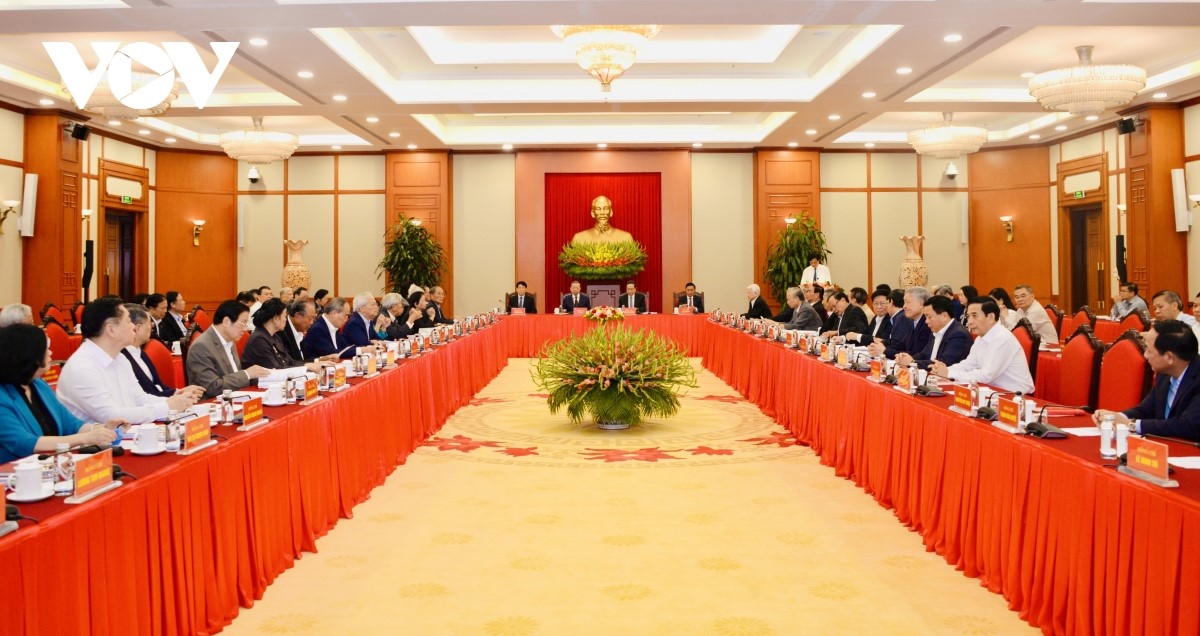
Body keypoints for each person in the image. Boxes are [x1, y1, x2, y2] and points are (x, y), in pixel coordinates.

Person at [58, 298, 198, 423]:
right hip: (98, 442)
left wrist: (176, 401)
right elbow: (110, 416)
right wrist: (167, 406)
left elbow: (140, 398)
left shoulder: (120, 357)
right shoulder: (83, 367)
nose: (133, 327)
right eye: (128, 321)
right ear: (111, 330)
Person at [0, 324, 122, 463]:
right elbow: (22, 443)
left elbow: (71, 424)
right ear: (28, 355)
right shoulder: (3, 395)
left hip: (51, 465)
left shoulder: (39, 385)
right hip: (15, 471)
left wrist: (101, 429)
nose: (51, 353)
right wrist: (86, 438)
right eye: (45, 349)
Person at [1092, 319, 1200, 442]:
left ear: (1169, 357)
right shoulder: (1165, 373)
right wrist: (1115, 417)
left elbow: (1188, 426)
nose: (1145, 355)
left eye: (1148, 350)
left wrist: (1130, 424)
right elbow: (1146, 409)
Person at [931, 298, 1034, 394]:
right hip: (993, 391)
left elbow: (986, 375)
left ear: (991, 317)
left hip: (1015, 396)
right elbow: (968, 365)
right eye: (968, 316)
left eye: (974, 316)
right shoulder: (981, 338)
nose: (969, 322)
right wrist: (945, 370)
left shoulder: (1002, 338)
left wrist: (949, 374)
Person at [186, 300, 271, 398]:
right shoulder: (201, 346)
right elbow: (212, 387)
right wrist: (247, 374)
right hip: (213, 402)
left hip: (235, 397)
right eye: (243, 323)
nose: (245, 329)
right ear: (226, 321)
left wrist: (263, 375)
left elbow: (234, 376)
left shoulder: (230, 340)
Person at [121, 303, 198, 399]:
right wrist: (177, 397)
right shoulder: (123, 358)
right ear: (138, 328)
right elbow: (144, 397)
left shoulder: (140, 352)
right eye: (149, 323)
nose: (152, 326)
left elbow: (159, 387)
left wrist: (180, 392)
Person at [242, 299, 328, 373]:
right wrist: (307, 367)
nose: (286, 320)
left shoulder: (275, 336)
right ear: (276, 319)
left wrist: (315, 364)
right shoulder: (259, 340)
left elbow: (291, 362)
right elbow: (275, 370)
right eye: (284, 316)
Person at [895, 295, 971, 370]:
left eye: (929, 317)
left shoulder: (958, 335)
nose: (926, 321)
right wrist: (908, 358)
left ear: (944, 316)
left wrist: (912, 362)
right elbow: (924, 354)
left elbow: (944, 363)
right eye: (925, 317)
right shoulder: (936, 330)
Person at [868, 287, 932, 360]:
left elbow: (915, 354)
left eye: (908, 302)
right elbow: (902, 346)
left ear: (921, 304)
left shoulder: (927, 324)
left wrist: (885, 351)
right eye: (904, 302)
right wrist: (878, 348)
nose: (904, 306)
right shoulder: (912, 322)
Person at [277, 299, 339, 363]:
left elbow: (304, 358)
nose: (312, 323)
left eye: (313, 319)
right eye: (310, 318)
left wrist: (320, 360)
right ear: (298, 316)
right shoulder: (281, 332)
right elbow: (290, 363)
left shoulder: (299, 329)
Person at [570, 195, 635, 244]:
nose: (602, 213)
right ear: (593, 213)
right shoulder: (579, 239)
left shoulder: (625, 238)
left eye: (605, 208)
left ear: (611, 212)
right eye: (598, 209)